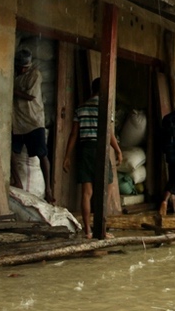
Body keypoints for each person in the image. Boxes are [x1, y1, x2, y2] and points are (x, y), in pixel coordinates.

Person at [61, 77, 123, 238]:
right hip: (100, 149)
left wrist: (67, 156)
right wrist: (118, 150)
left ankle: (88, 230)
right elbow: (109, 133)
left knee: (86, 193)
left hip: (85, 149)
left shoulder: (81, 108)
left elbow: (74, 134)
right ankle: (100, 229)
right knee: (107, 190)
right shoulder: (105, 108)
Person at [11, 48, 54, 203]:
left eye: (23, 67)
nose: (21, 69)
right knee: (11, 152)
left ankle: (48, 190)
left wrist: (13, 90)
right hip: (18, 122)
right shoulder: (15, 75)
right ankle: (18, 181)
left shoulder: (35, 74)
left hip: (34, 121)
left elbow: (31, 96)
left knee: (42, 154)